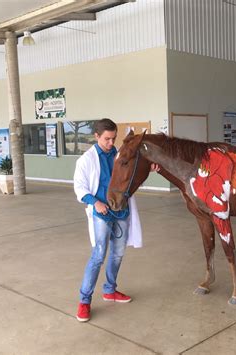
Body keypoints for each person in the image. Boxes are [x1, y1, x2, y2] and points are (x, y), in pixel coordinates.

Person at [73, 118, 143, 322]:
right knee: (99, 255)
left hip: (121, 211)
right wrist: (95, 203)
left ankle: (110, 290)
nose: (111, 143)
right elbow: (79, 187)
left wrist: (150, 168)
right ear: (96, 136)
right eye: (107, 139)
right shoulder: (86, 160)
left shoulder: (119, 155)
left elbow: (132, 173)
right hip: (101, 213)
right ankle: (84, 301)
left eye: (113, 139)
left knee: (118, 254)